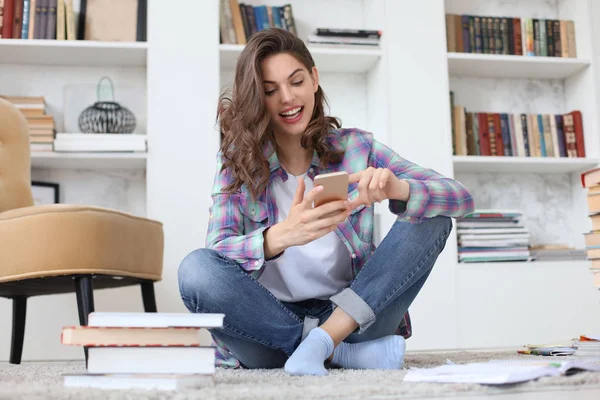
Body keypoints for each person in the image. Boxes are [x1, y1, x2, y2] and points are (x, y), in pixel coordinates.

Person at [178, 28, 474, 376]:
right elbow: (216, 256)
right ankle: (333, 352)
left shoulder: (356, 149)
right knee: (194, 269)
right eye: (270, 91)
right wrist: (281, 236)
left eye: (296, 81)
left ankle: (324, 343)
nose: (287, 98)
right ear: (258, 98)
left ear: (314, 79)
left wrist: (398, 189)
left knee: (431, 215)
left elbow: (461, 197)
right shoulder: (236, 162)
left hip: (353, 320)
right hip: (268, 329)